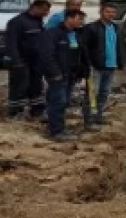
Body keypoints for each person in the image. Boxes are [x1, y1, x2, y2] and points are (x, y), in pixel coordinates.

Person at [35, 8, 87, 141]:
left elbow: (80, 55)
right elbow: (47, 55)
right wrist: (54, 73)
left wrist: (82, 71)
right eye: (79, 19)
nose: (81, 22)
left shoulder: (76, 34)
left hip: (71, 74)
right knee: (58, 102)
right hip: (58, 75)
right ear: (69, 18)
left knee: (65, 102)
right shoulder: (53, 34)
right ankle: (56, 132)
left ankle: (60, 127)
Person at [80, 3, 126, 130]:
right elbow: (84, 48)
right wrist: (88, 64)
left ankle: (98, 117)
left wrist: (121, 63)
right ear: (101, 12)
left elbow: (119, 47)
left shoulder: (116, 28)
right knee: (92, 94)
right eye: (108, 11)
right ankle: (89, 121)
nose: (110, 14)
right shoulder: (91, 28)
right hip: (96, 67)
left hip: (111, 66)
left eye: (113, 12)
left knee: (104, 93)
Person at [4, 0, 51, 120]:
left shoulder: (38, 22)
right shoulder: (17, 22)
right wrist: (16, 61)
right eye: (44, 10)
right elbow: (11, 43)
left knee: (36, 86)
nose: (46, 14)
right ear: (35, 7)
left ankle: (38, 111)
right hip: (21, 61)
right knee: (19, 87)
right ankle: (16, 112)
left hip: (35, 61)